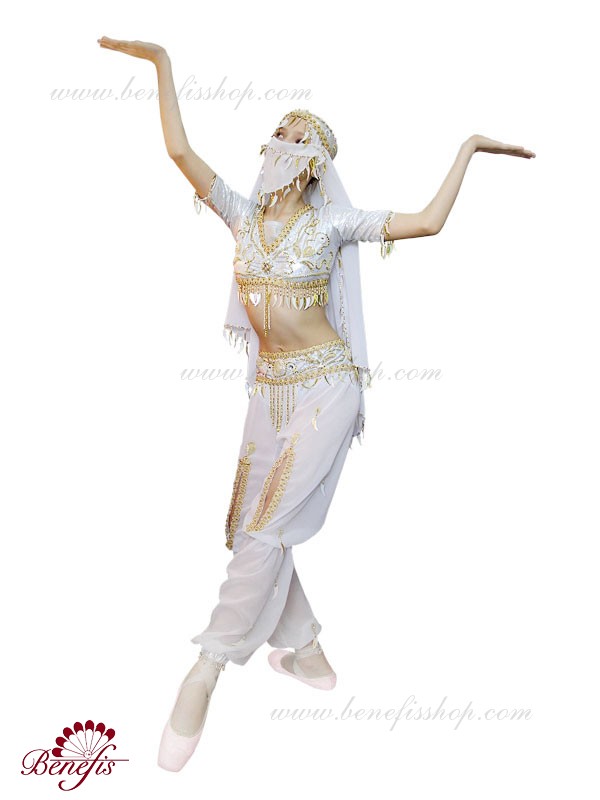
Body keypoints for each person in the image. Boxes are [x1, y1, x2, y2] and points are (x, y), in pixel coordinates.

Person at [97, 36, 536, 772]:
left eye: (298, 136)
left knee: (267, 526)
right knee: (248, 526)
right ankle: (305, 650)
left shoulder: (333, 223)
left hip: (328, 387)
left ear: (315, 163)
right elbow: (179, 150)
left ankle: (207, 665)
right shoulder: (240, 214)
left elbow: (427, 222)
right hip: (269, 389)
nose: (281, 140)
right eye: (278, 129)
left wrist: (467, 148)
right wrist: (162, 63)